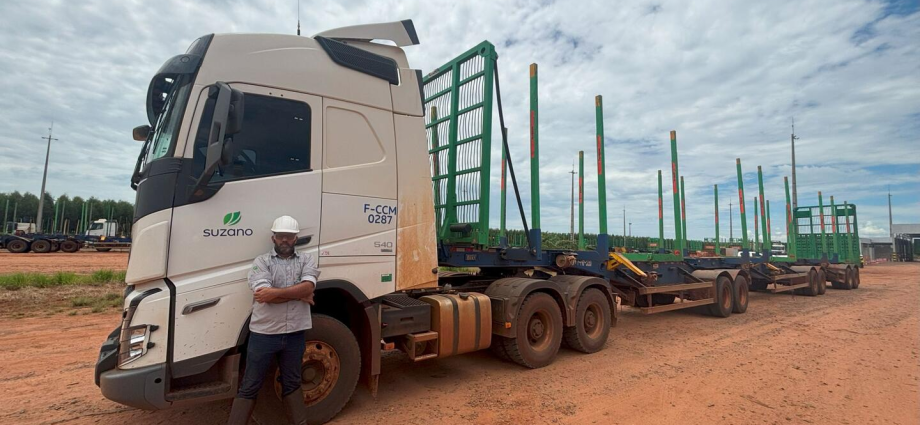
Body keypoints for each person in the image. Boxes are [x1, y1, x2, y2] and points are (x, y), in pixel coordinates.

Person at [228, 215, 318, 425]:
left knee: (293, 383)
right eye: (281, 236)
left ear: (296, 239)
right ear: (273, 238)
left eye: (289, 236)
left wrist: (277, 294)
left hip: (295, 332)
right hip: (264, 334)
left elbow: (308, 287)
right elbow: (263, 296)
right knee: (250, 384)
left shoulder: (307, 260)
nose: (285, 240)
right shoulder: (261, 262)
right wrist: (299, 294)